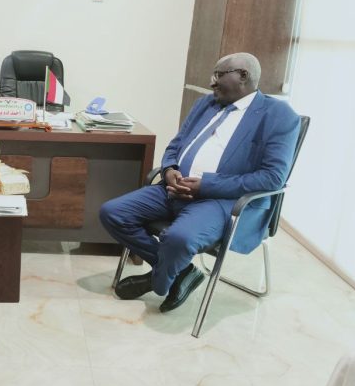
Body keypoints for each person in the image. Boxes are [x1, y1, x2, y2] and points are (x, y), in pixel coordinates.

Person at [99, 52, 300, 312]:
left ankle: (159, 281)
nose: (212, 82)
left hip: (222, 201)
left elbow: (273, 177)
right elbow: (175, 145)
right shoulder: (206, 103)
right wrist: (170, 169)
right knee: (113, 213)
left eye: (219, 75)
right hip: (173, 189)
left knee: (179, 238)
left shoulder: (278, 114)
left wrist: (206, 185)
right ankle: (182, 272)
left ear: (243, 76)